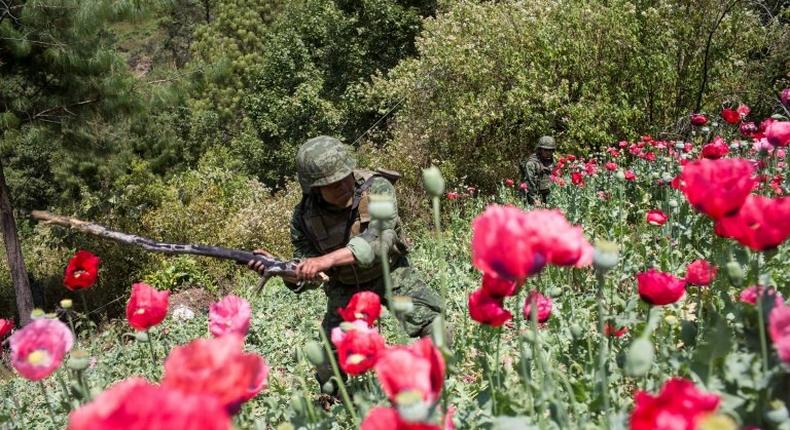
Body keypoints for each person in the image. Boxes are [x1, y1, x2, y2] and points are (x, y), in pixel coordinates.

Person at [248, 135, 442, 392]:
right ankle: (344, 412)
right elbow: (310, 275)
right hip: (345, 287)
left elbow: (379, 240)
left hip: (391, 274)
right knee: (328, 369)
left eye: (345, 178)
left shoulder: (379, 188)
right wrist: (283, 270)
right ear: (314, 188)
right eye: (332, 184)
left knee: (438, 329)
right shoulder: (303, 218)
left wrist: (324, 260)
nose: (342, 187)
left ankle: (432, 392)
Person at [520, 135, 556, 205]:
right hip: (534, 196)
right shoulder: (531, 163)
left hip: (550, 196)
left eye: (550, 150)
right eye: (545, 150)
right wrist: (535, 199)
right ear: (540, 150)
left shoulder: (554, 161)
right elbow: (529, 183)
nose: (548, 152)